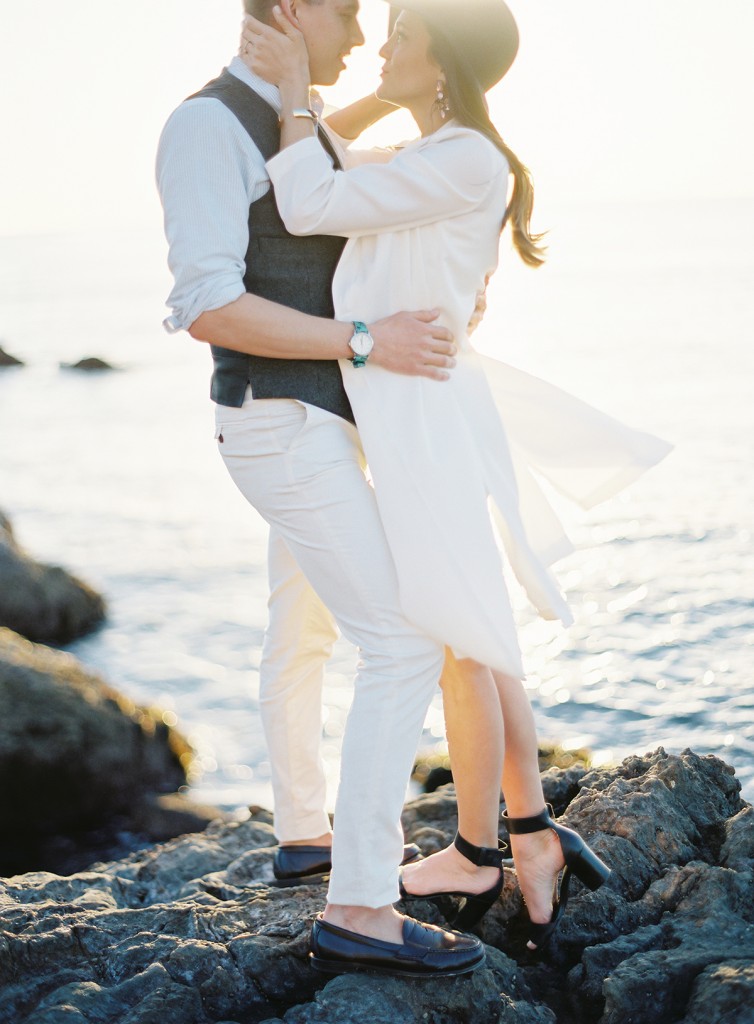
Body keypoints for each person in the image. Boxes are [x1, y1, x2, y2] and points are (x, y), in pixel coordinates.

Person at [241, 0, 672, 955]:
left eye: (400, 36)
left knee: (460, 633)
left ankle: (493, 848)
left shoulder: (463, 158)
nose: (381, 48)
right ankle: (520, 836)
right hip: (400, 416)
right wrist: (336, 99)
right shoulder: (437, 155)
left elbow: (307, 200)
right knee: (464, 629)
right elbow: (337, 170)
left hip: (420, 421)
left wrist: (295, 97)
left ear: (443, 63)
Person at [157, 0, 489, 979]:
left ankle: (305, 830)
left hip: (323, 427)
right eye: (346, 11)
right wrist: (363, 341)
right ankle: (358, 903)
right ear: (296, 8)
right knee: (403, 639)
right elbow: (209, 305)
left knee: (299, 628)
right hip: (278, 422)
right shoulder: (204, 126)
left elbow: (341, 180)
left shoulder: (294, 118)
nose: (357, 31)